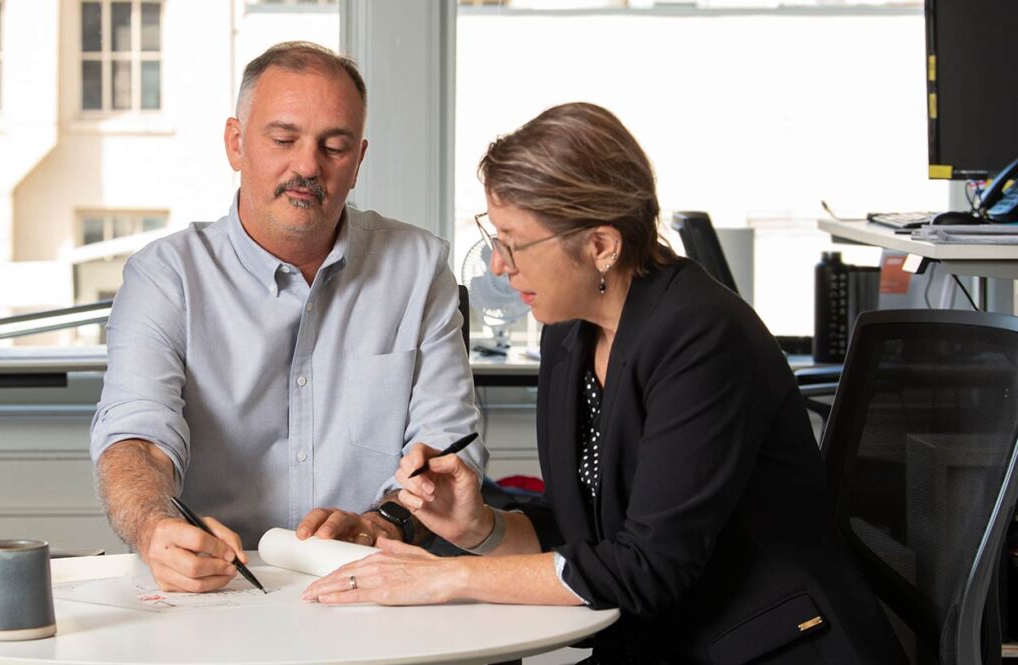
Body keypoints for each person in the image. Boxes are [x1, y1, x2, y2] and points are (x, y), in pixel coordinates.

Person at [302, 102, 904, 664]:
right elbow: (585, 531)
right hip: (666, 636)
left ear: (601, 245)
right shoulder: (571, 329)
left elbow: (647, 566)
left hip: (769, 646)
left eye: (514, 243)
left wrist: (446, 576)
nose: (498, 265)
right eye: (495, 238)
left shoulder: (700, 338)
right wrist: (479, 528)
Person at [90, 41, 484, 594]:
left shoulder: (418, 268)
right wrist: (155, 526)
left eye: (335, 146)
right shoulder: (164, 277)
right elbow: (137, 440)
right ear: (235, 142)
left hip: (375, 584)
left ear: (359, 159)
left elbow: (447, 449)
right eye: (283, 139)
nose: (307, 166)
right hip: (215, 589)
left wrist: (381, 522)